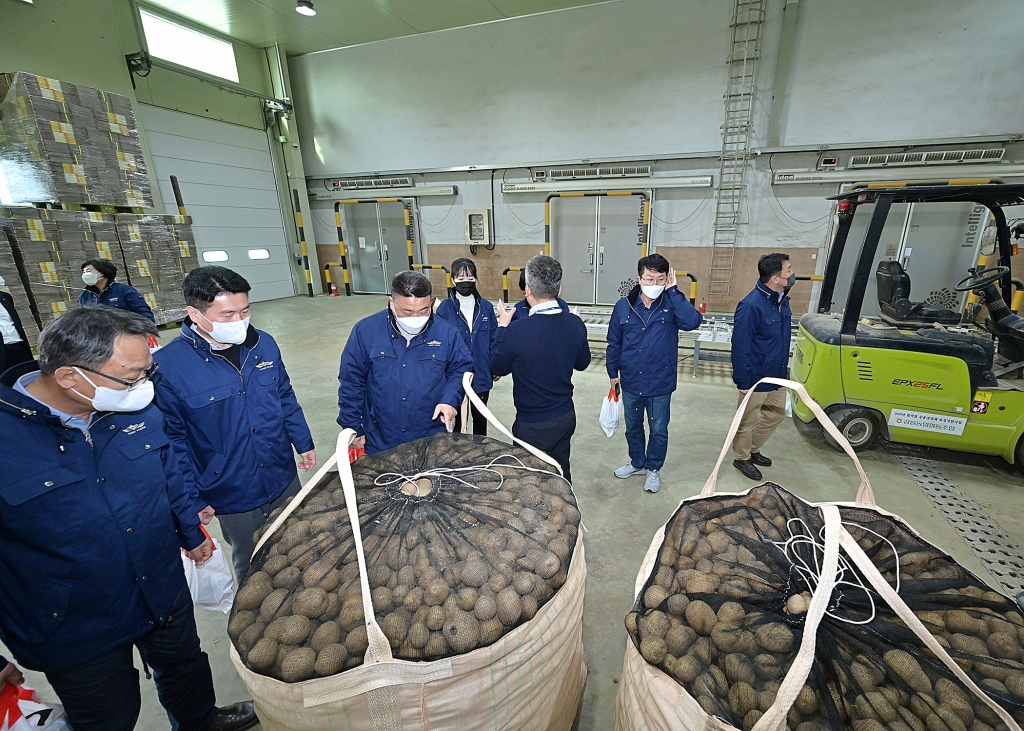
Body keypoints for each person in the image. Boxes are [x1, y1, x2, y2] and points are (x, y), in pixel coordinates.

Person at [0, 307, 257, 731]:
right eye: (132, 377)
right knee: (108, 713)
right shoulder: (9, 439)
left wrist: (191, 533)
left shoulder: (134, 408)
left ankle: (201, 721)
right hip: (72, 613)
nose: (143, 386)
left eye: (146, 373)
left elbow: (169, 472)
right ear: (69, 377)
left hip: (159, 579)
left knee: (185, 669)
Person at [153, 266, 316, 581]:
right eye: (227, 315)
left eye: (245, 311)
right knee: (251, 560)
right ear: (195, 314)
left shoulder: (263, 345)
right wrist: (192, 498)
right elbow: (173, 442)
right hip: (229, 487)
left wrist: (303, 441)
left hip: (281, 471)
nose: (239, 322)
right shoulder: (168, 366)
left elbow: (284, 395)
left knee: (299, 543)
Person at [338, 270, 474, 454]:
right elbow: (352, 381)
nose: (416, 318)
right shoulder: (366, 331)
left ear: (431, 303)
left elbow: (461, 368)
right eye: (408, 312)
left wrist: (449, 400)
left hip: (430, 436)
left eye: (424, 310)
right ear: (392, 304)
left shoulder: (446, 333)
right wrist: (353, 425)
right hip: (381, 436)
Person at [606, 253, 703, 493]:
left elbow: (693, 322)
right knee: (633, 426)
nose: (654, 285)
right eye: (649, 279)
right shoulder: (623, 306)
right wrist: (612, 372)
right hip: (631, 379)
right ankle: (638, 462)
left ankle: (653, 468)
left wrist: (673, 292)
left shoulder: (671, 304)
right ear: (639, 279)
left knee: (658, 429)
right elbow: (614, 342)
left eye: (661, 279)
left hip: (661, 380)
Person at [492, 255, 591, 482]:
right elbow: (583, 363)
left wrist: (502, 327)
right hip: (565, 415)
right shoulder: (574, 323)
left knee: (530, 479)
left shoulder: (517, 330)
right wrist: (578, 331)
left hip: (532, 423)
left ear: (527, 289)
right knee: (560, 469)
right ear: (559, 287)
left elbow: (497, 366)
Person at [731, 252, 794, 480]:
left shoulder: (781, 300)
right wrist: (743, 381)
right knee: (747, 421)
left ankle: (753, 449)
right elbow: (740, 345)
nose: (792, 274)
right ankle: (741, 457)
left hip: (777, 374)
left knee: (775, 416)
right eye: (788, 270)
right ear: (776, 278)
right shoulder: (750, 306)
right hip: (756, 376)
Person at [435, 258, 499, 435]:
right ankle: (455, 454)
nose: (466, 281)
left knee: (480, 419)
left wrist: (495, 366)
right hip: (453, 375)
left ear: (476, 279)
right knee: (454, 421)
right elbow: (438, 343)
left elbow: (494, 339)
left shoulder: (486, 307)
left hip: (482, 373)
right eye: (461, 277)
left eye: (470, 277)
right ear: (453, 280)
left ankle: (479, 453)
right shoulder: (444, 309)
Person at [78, 258, 155, 321]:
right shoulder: (84, 296)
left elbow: (143, 312)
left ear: (102, 272)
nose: (85, 275)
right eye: (83, 272)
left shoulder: (124, 290)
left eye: (88, 271)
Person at [0, 274, 33, 374]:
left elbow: (14, 322)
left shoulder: (5, 297)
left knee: (30, 375)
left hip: (19, 346)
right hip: (3, 351)